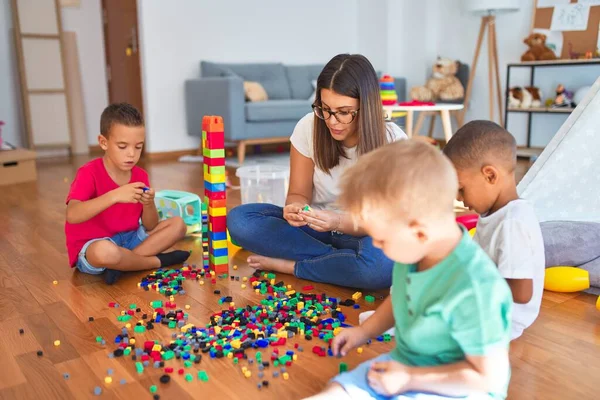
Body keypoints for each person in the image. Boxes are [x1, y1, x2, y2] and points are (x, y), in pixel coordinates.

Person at [306, 140, 512, 400]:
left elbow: (487, 378)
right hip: (403, 366)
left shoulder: (477, 289)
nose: (376, 245)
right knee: (336, 392)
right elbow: (400, 299)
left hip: (458, 387)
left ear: (419, 232)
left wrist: (410, 379)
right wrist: (364, 332)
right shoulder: (413, 252)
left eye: (381, 239)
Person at [228, 54, 406, 289]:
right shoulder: (308, 126)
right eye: (325, 109)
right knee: (240, 221)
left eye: (344, 112)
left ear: (367, 106)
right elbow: (298, 194)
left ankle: (291, 266)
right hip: (314, 230)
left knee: (380, 267)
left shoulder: (393, 142)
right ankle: (340, 265)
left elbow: (385, 221)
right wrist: (295, 208)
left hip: (365, 234)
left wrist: (337, 221)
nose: (332, 121)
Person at [65, 103, 190, 284]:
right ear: (103, 142)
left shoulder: (140, 175)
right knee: (106, 252)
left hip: (131, 238)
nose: (131, 154)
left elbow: (149, 225)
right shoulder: (88, 173)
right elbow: (72, 215)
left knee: (178, 225)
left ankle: (124, 264)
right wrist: (114, 195)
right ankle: (155, 262)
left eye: (138, 147)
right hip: (95, 246)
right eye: (122, 146)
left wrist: (148, 204)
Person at [443, 120, 545, 340]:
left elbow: (521, 293)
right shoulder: (492, 214)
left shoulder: (512, 223)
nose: (458, 199)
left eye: (461, 189)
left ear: (490, 175)